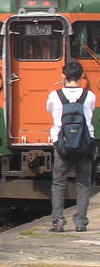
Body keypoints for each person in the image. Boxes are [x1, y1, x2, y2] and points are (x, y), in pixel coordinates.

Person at [46, 60, 96, 232]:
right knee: (83, 183)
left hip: (62, 144)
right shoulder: (89, 96)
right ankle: (81, 222)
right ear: (82, 75)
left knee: (59, 183)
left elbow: (49, 110)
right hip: (85, 143)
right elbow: (91, 112)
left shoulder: (55, 96)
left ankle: (58, 221)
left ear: (63, 76)